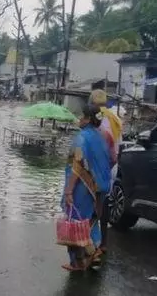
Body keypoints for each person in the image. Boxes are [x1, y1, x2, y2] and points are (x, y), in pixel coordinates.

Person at [60, 103, 112, 272]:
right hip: (101, 187)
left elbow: (78, 164)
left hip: (83, 187)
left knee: (76, 223)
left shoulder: (82, 137)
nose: (79, 119)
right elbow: (111, 160)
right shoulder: (102, 137)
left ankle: (83, 258)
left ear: (89, 119)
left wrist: (69, 189)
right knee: (90, 222)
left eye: (82, 116)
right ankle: (90, 256)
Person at [90, 90, 123, 255]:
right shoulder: (115, 118)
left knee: (96, 204)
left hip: (102, 166)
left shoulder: (99, 118)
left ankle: (95, 243)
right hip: (112, 166)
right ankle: (103, 242)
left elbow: (100, 143)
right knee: (105, 202)